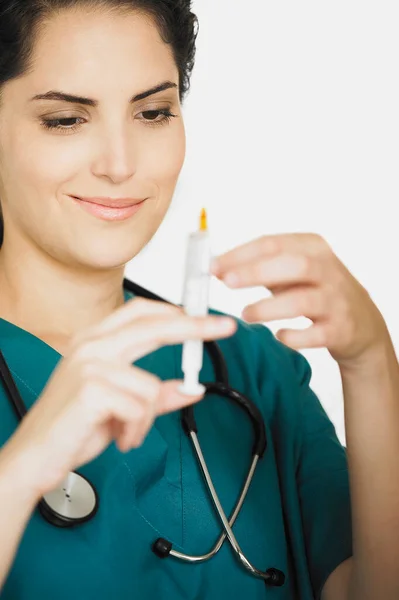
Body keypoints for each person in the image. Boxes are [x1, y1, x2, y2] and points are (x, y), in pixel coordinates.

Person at [0, 1, 398, 599]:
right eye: (65, 119)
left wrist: (370, 364)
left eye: (154, 111)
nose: (121, 164)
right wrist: (22, 468)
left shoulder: (252, 370)